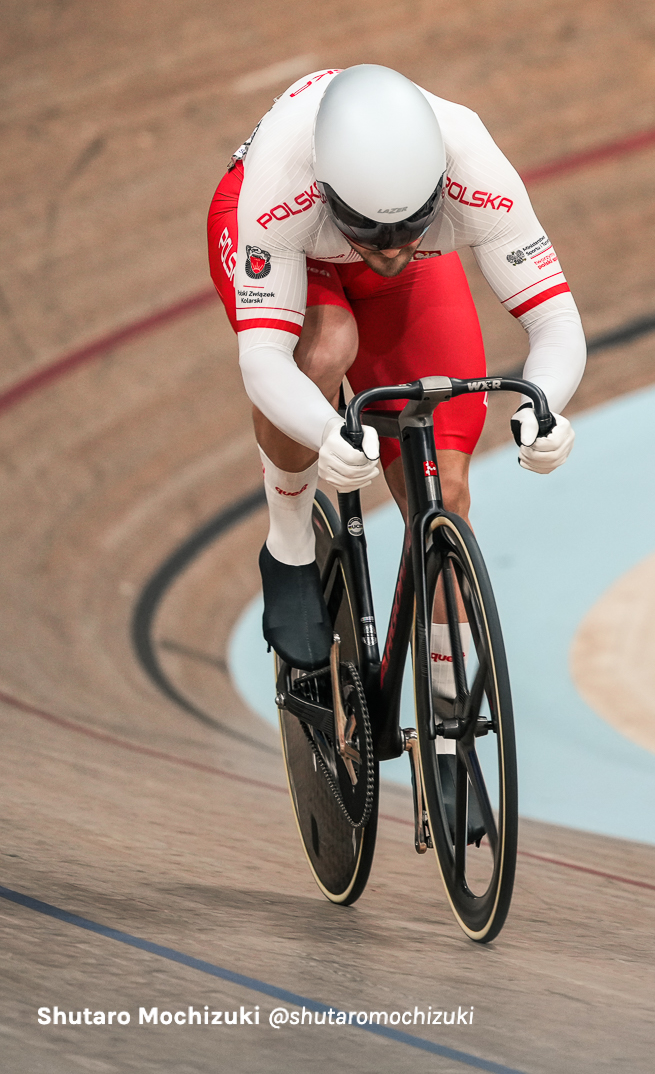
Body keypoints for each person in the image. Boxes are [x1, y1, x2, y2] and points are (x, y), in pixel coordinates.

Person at [205, 64, 585, 834]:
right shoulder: (278, 185)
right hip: (296, 259)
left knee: (445, 487)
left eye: (406, 228)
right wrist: (320, 432)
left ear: (438, 189)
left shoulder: (474, 162)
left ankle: (448, 732)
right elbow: (262, 362)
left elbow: (555, 322)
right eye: (368, 231)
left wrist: (546, 407)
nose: (385, 249)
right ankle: (287, 553)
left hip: (409, 272)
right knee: (326, 348)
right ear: (329, 193)